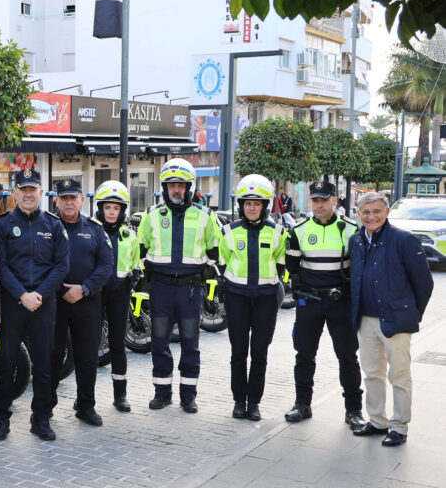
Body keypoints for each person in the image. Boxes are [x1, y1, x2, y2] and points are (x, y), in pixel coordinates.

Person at [0, 168, 70, 441]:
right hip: (13, 303)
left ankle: (42, 419)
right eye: (22, 190)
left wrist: (40, 295)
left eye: (32, 189)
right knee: (6, 362)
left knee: (44, 364)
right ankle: (2, 419)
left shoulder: (53, 224)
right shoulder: (1, 225)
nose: (27, 194)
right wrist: (22, 295)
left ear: (40, 193)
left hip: (44, 303)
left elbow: (62, 266)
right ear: (15, 193)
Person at [349, 192, 434, 447]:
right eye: (366, 212)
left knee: (399, 375)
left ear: (386, 212)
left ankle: (399, 426)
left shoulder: (404, 240)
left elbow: (424, 283)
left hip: (395, 321)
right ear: (359, 214)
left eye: (376, 211)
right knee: (372, 373)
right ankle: (377, 421)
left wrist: (410, 313)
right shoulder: (356, 240)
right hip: (365, 320)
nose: (371, 216)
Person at [137, 158, 221, 413]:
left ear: (189, 187)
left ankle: (188, 396)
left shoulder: (205, 215)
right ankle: (162, 393)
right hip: (161, 289)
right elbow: (141, 250)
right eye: (172, 185)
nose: (177, 190)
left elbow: (214, 251)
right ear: (164, 187)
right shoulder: (152, 215)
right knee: (159, 341)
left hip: (189, 291)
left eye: (181, 185)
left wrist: (201, 272)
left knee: (190, 344)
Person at [283, 181, 365, 428]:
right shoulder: (298, 231)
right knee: (304, 355)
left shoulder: (350, 229)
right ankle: (302, 405)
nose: (319, 205)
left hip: (341, 302)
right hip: (310, 302)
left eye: (324, 200)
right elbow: (292, 267)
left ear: (334, 200)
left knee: (348, 357)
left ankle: (353, 411)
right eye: (315, 200)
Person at [219, 175, 286, 422]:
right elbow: (224, 260)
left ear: (265, 206)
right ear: (240, 205)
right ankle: (239, 401)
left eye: (257, 203)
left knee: (259, 353)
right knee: (238, 352)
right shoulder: (228, 231)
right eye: (247, 203)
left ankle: (254, 403)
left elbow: (281, 264)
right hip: (237, 298)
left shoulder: (278, 232)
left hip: (266, 300)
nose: (252, 207)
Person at [51, 179, 113, 427]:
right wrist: (59, 289)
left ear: (81, 200)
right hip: (55, 302)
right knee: (52, 356)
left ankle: (85, 406)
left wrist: (84, 288)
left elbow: (106, 264)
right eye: (64, 198)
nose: (68, 202)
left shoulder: (95, 229)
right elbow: (40, 263)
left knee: (87, 357)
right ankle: (46, 407)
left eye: (73, 197)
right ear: (56, 200)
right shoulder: (48, 226)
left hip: (87, 302)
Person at [92, 180, 140, 414]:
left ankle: (120, 395)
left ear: (122, 211)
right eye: (107, 207)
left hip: (120, 293)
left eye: (116, 208)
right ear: (100, 208)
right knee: (90, 344)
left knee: (117, 344)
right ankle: (85, 396)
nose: (111, 212)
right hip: (94, 294)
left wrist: (131, 279)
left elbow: (134, 262)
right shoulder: (91, 231)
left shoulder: (130, 235)